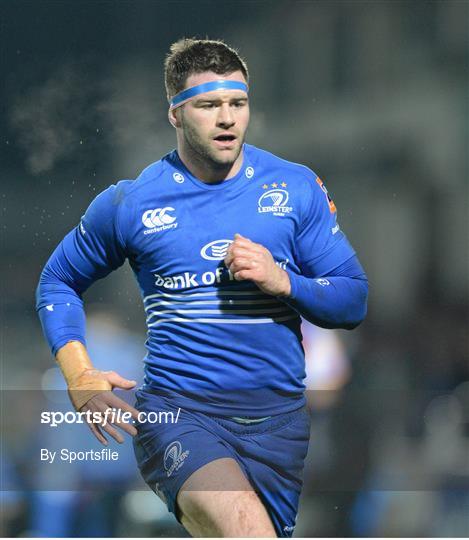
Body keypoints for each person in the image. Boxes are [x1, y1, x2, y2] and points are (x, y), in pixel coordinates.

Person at [36, 38, 368, 538]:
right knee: (246, 531)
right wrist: (80, 376)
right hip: (180, 415)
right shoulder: (131, 203)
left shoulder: (294, 188)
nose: (227, 119)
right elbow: (57, 281)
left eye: (237, 103)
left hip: (278, 426)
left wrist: (284, 280)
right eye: (208, 105)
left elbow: (353, 298)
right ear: (174, 115)